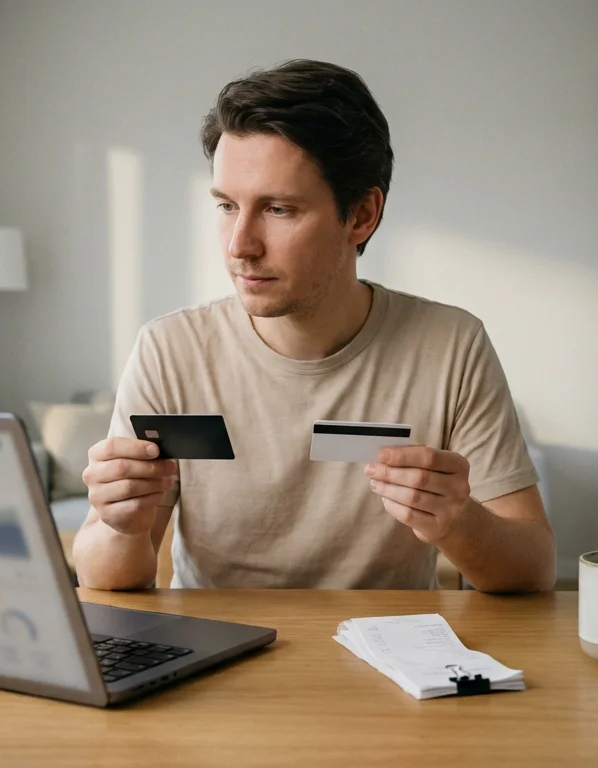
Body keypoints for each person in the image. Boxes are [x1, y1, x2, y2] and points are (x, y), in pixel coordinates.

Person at [72, 59, 555, 592]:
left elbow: (532, 570)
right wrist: (119, 527)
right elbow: (106, 576)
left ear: (362, 215)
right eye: (227, 206)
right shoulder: (170, 350)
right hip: (217, 655)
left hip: (392, 659)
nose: (240, 246)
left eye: (278, 209)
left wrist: (460, 524)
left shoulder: (451, 346)